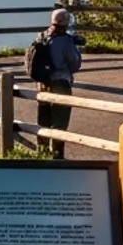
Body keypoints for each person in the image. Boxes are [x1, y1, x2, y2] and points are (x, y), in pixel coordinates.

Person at [35, 8, 83, 159]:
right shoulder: (65, 40)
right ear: (66, 23)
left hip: (42, 82)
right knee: (60, 119)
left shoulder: (42, 36)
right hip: (60, 82)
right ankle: (57, 154)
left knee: (44, 118)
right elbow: (75, 64)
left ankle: (41, 151)